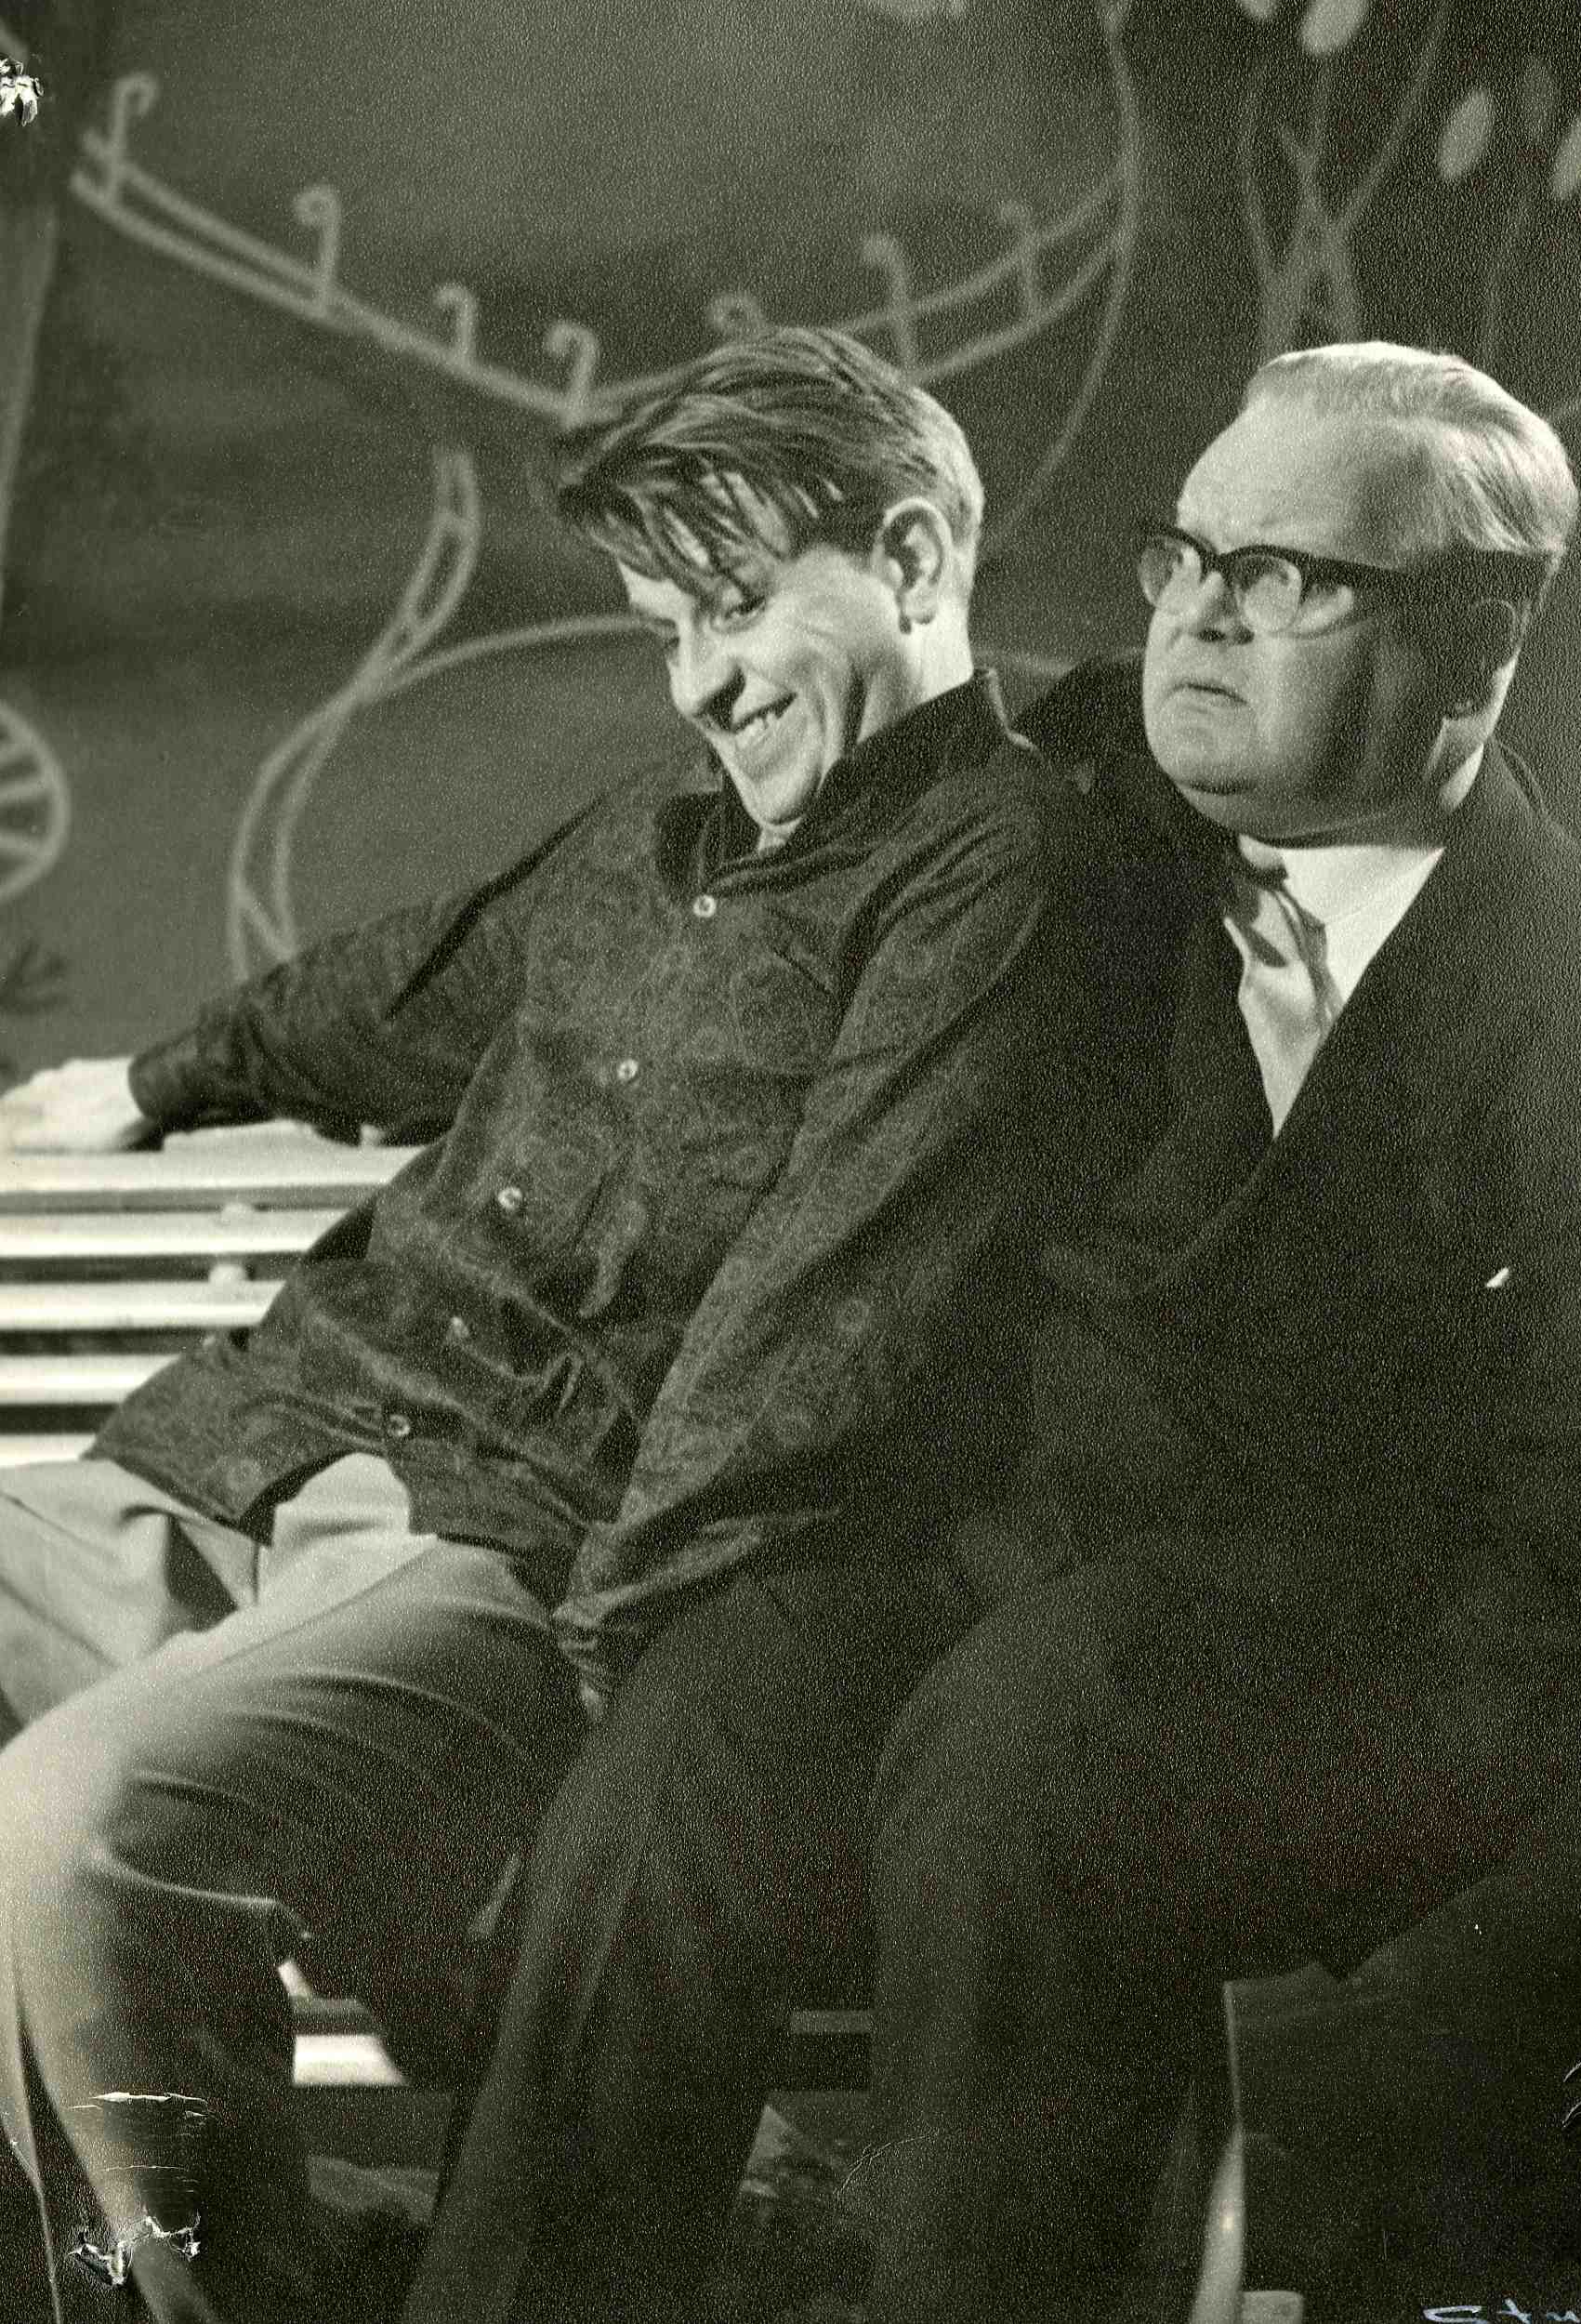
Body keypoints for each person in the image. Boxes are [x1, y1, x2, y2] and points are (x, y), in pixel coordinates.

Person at [402, 341, 1581, 2324]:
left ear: (1481, 638)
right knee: (712, 1699)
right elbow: (630, 923)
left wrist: (1420, 1829)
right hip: (970, 1559)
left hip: (1313, 1665)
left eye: (1281, 577)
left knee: (1036, 1738)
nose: (1194, 617)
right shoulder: (1052, 783)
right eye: (1184, 555)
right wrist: (173, 1071)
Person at [0, 324, 1107, 2324]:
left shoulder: (994, 873)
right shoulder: (649, 837)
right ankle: (310, 2259)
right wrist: (156, 1081)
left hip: (492, 1533)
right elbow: (397, 992)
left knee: (73, 1831)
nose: (700, 681)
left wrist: (610, 1670)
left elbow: (816, 1328)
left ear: (917, 556)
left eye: (737, 606)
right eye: (666, 626)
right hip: (257, 1439)